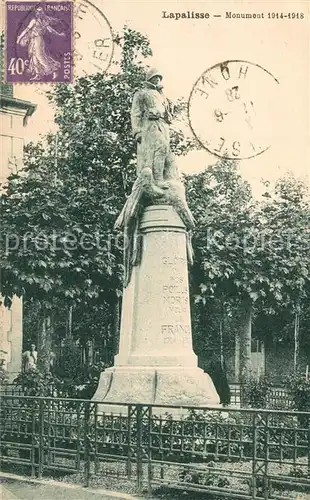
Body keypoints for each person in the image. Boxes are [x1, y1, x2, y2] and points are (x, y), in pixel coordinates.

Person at [115, 69, 194, 285]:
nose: (158, 80)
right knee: (151, 157)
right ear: (148, 79)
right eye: (155, 78)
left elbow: (168, 113)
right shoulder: (141, 93)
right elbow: (135, 113)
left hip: (162, 127)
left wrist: (166, 108)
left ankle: (161, 181)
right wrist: (137, 131)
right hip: (148, 128)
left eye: (160, 78)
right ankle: (155, 182)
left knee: (164, 153)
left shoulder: (161, 95)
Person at [16, 5, 65, 81]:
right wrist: (19, 38)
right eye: (37, 12)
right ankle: (37, 74)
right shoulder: (34, 21)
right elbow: (26, 30)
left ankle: (53, 70)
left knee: (39, 56)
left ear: (42, 13)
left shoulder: (43, 21)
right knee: (33, 56)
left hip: (39, 40)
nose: (38, 13)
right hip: (33, 40)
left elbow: (50, 30)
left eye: (40, 12)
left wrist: (59, 34)